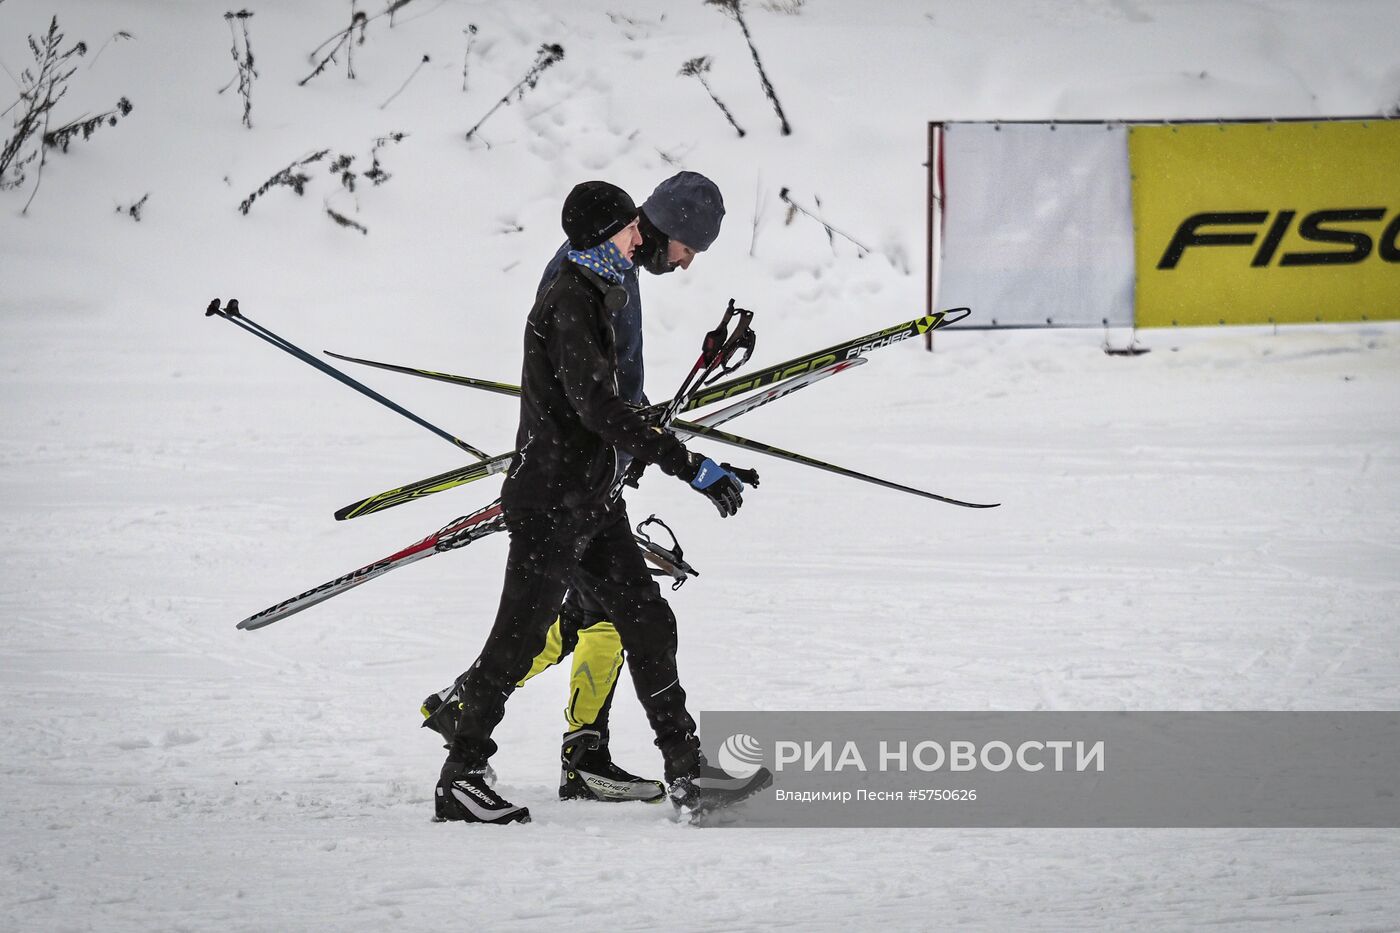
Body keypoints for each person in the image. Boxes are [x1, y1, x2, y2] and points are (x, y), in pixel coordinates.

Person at [433, 180, 770, 825]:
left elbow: (610, 408)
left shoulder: (604, 287)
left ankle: (688, 773)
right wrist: (683, 462)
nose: (638, 236)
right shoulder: (571, 297)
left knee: (647, 621)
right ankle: (461, 773)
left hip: (590, 497)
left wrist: (639, 453)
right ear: (601, 235)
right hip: (551, 500)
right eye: (627, 229)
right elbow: (597, 407)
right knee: (519, 635)